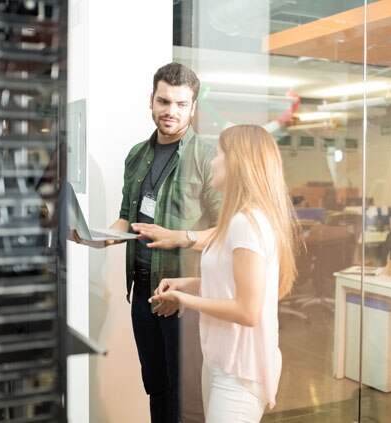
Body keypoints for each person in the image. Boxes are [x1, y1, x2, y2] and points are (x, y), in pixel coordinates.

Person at [73, 62, 221, 423]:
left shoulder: (207, 157)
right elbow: (127, 215)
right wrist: (102, 238)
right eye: (164, 101)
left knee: (186, 395)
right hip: (142, 291)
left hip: (185, 295)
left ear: (193, 107)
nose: (171, 111)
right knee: (155, 385)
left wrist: (181, 238)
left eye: (181, 104)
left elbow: (225, 229)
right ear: (151, 101)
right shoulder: (137, 154)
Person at [149, 124, 301, 422]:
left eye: (218, 154)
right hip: (219, 361)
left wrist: (185, 300)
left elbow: (247, 310)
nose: (212, 161)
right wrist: (189, 285)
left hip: (239, 373)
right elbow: (230, 286)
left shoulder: (248, 223)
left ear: (237, 162)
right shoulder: (237, 221)